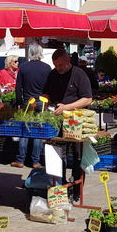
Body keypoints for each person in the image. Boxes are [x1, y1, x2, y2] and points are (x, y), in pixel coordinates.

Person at [42, 49, 93, 201]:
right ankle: (60, 186)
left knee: (77, 155)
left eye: (61, 65)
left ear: (68, 61)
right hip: (57, 119)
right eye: (56, 65)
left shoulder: (79, 74)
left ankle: (76, 191)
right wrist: (45, 102)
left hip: (76, 121)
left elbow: (87, 99)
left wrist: (67, 107)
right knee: (57, 154)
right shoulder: (52, 74)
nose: (59, 68)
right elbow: (46, 93)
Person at [12, 44, 51, 169]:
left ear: (30, 53)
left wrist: (18, 103)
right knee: (38, 131)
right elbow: (50, 87)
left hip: (27, 102)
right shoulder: (47, 68)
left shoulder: (23, 67)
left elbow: (18, 88)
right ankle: (35, 161)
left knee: (25, 130)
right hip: (42, 101)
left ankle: (20, 160)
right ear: (40, 53)